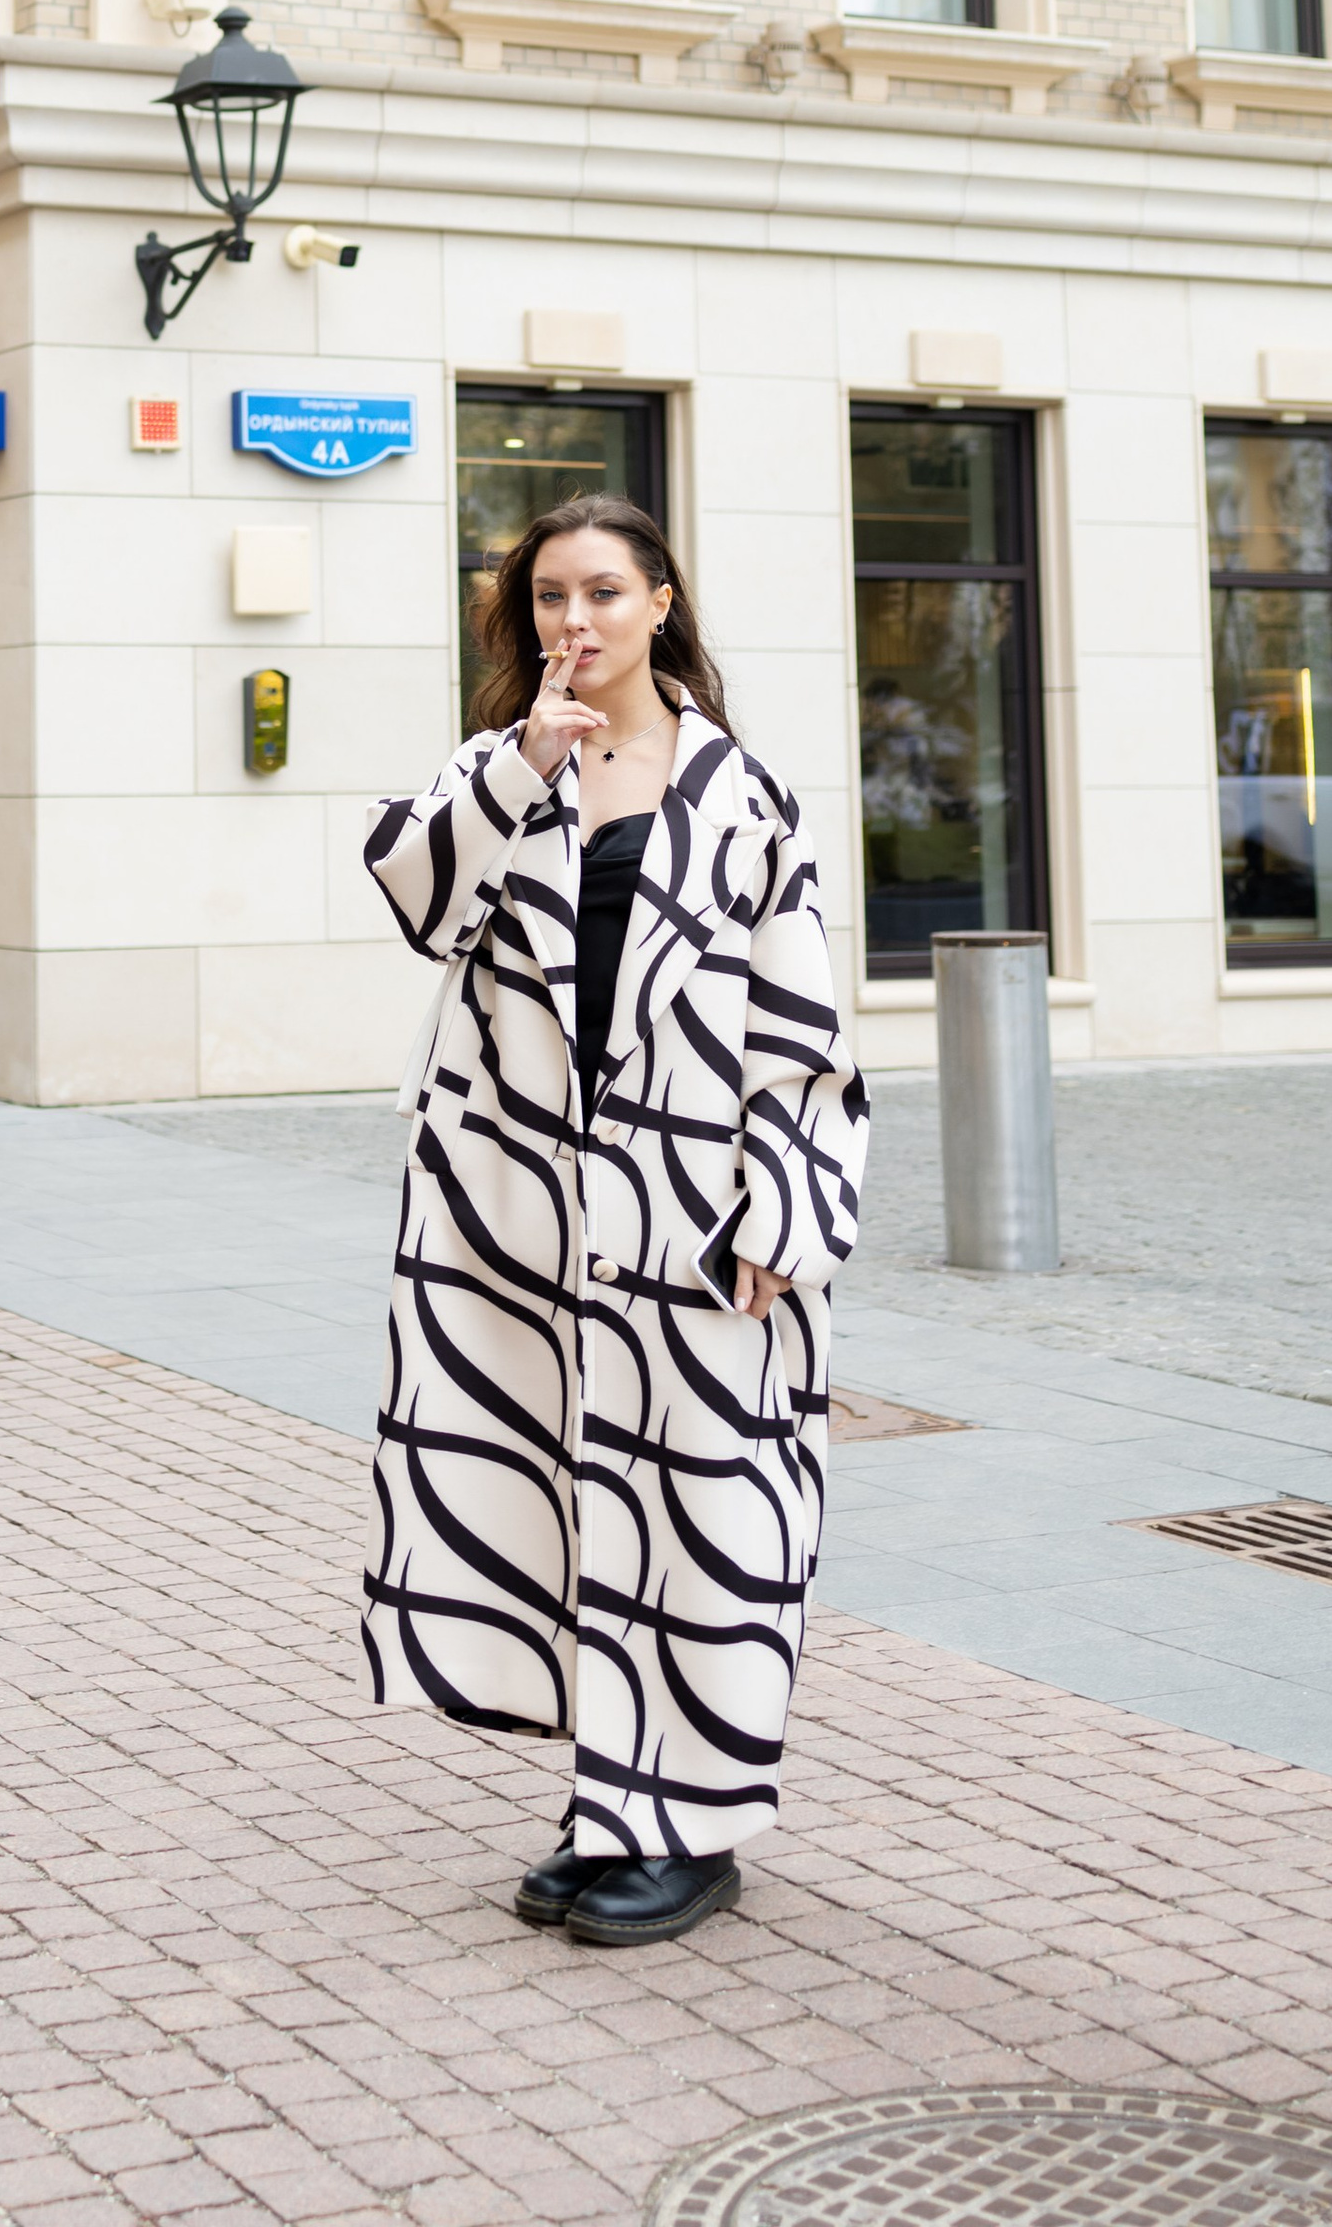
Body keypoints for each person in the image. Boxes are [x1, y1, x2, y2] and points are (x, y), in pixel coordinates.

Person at [362, 492, 868, 1951]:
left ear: (659, 603)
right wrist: (520, 764)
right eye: (544, 605)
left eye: (597, 596)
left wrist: (787, 1205)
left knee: (704, 1513)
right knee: (578, 1513)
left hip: (704, 1217)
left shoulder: (743, 794)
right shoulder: (500, 769)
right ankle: (609, 1807)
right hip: (530, 1219)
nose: (569, 625)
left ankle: (694, 1828)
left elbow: (807, 1028)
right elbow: (415, 898)